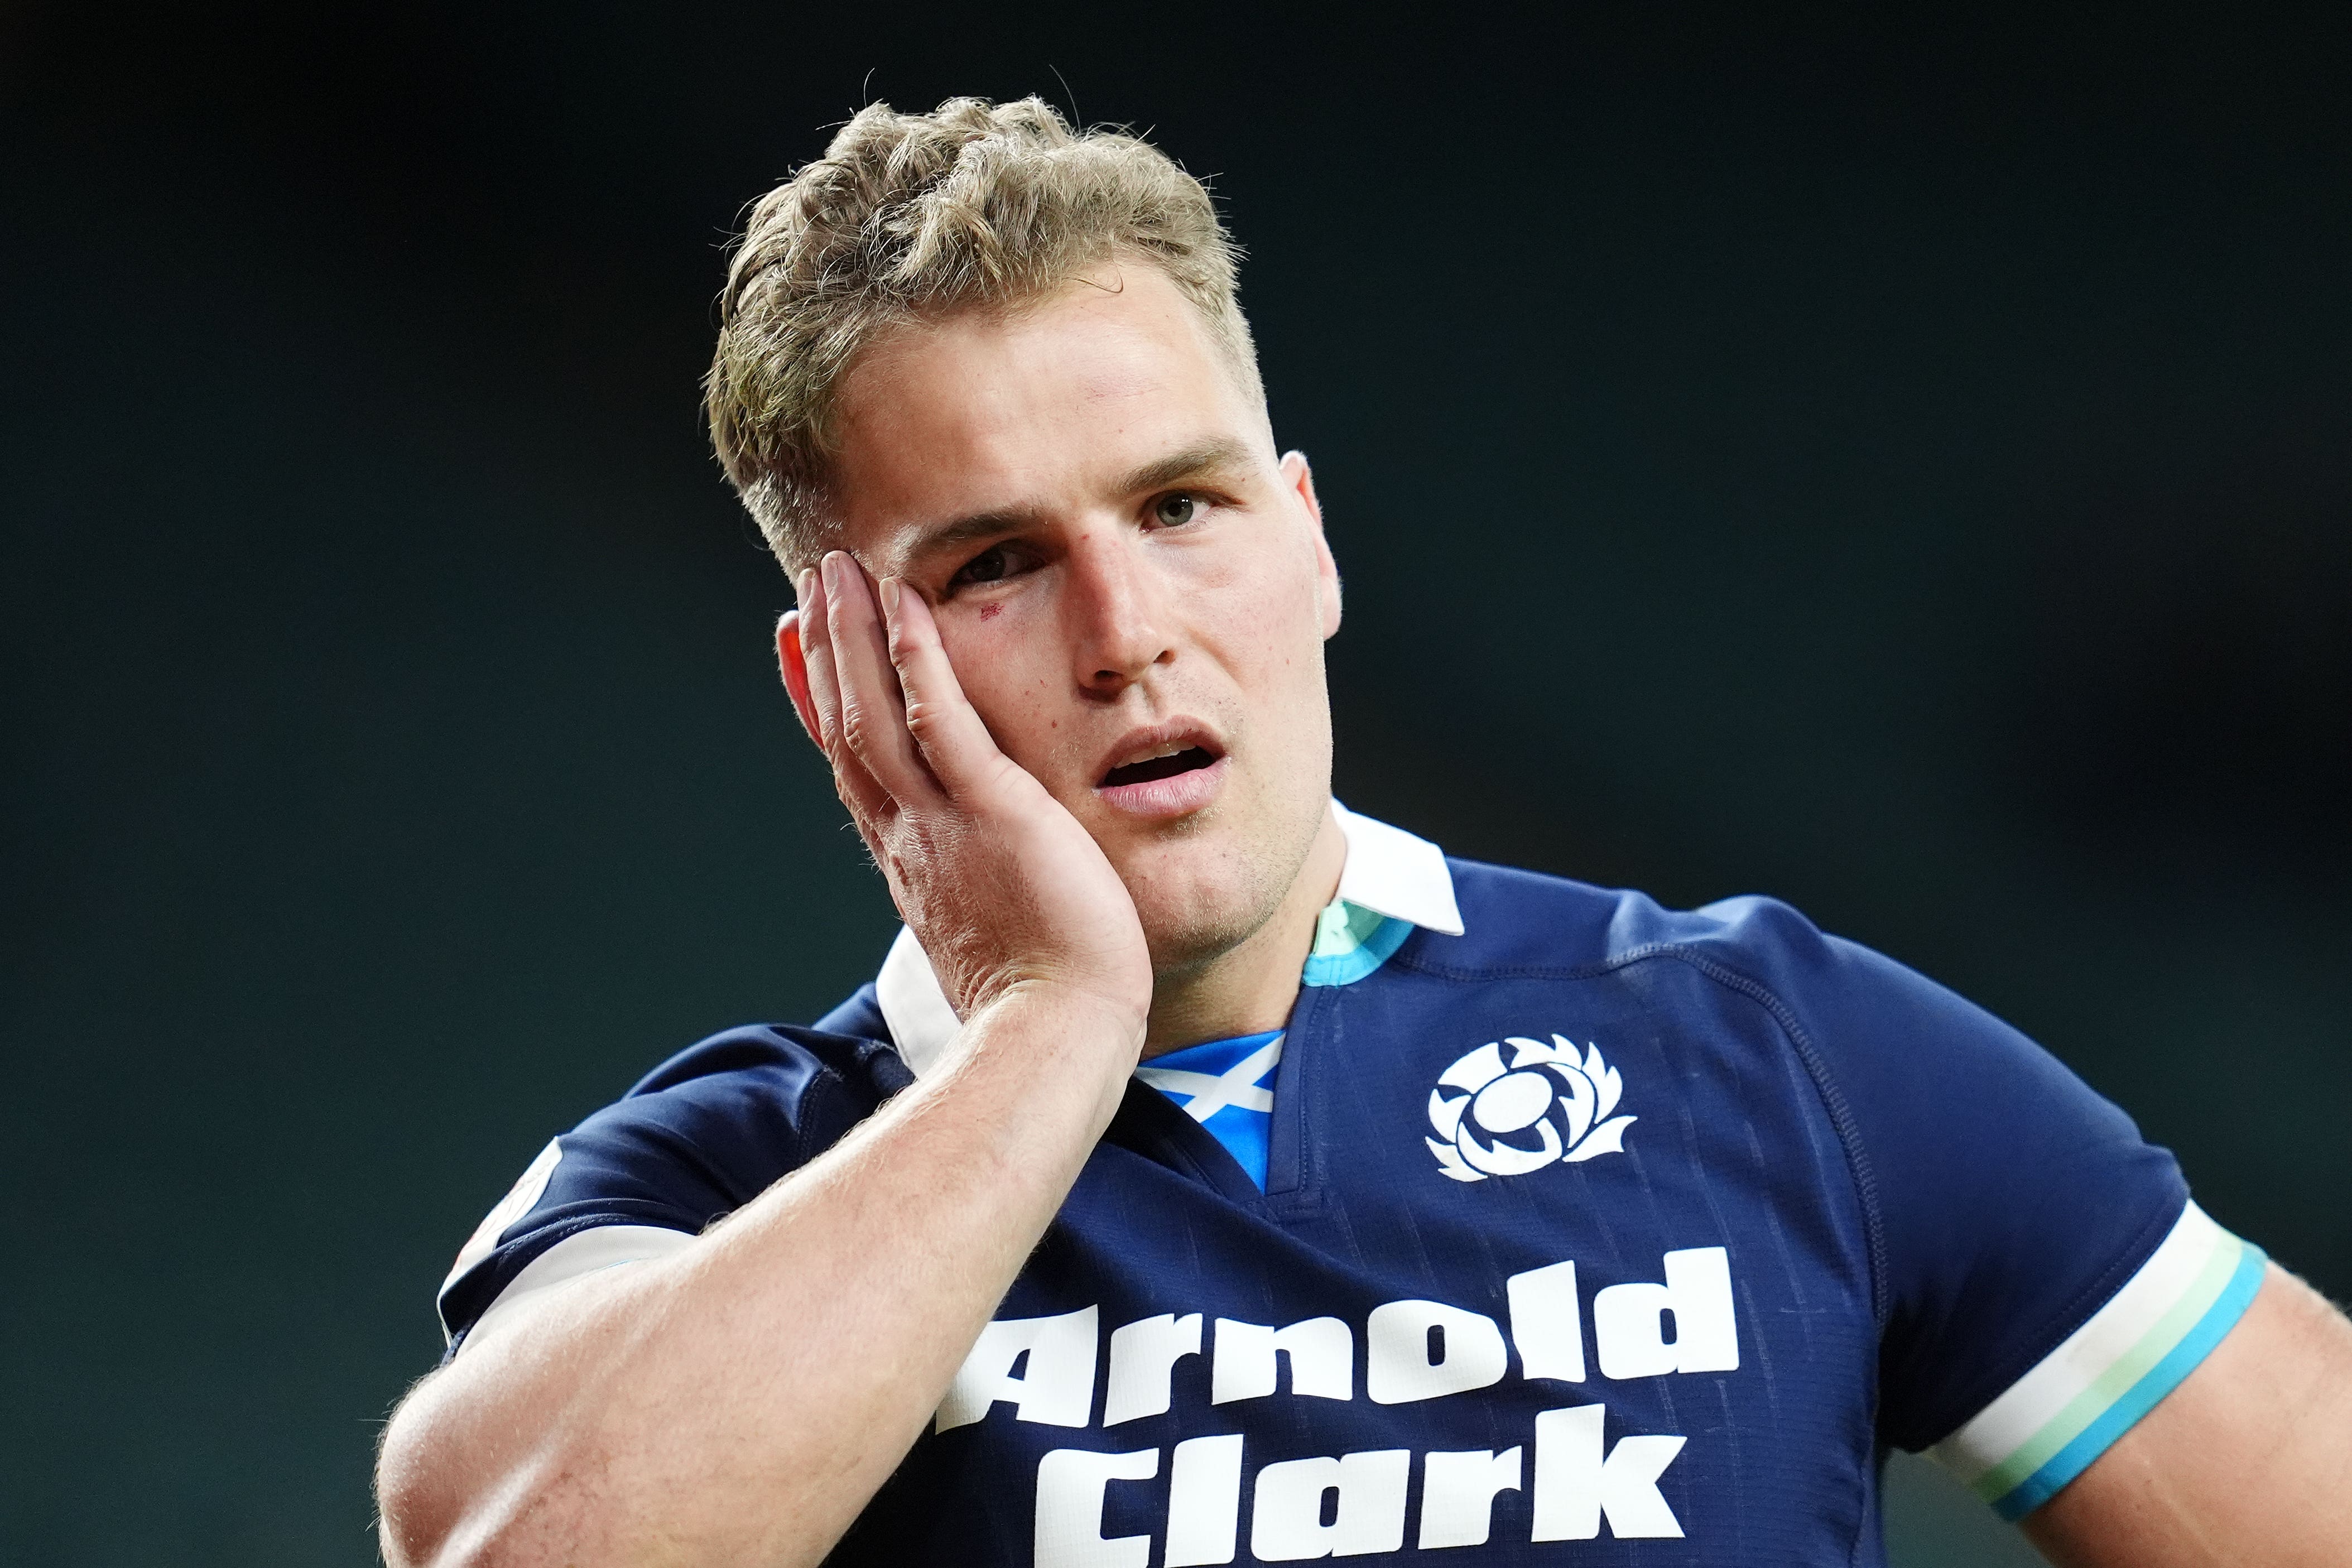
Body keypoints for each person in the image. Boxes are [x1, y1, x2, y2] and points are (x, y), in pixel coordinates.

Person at [374, 97, 2352, 1568]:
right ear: (841, 688)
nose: (1126, 628)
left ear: (1307, 539)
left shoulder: (1777, 1054)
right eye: (995, 564)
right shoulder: (720, 1185)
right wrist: (1051, 1025)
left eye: (1183, 506)